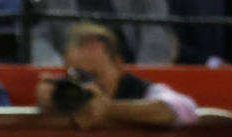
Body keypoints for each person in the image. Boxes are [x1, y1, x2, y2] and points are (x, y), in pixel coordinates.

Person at [34, 22, 198, 129]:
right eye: (79, 75)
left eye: (95, 75)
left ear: (118, 65)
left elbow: (184, 109)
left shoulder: (141, 89)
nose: (89, 84)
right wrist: (47, 105)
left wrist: (110, 109)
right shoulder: (65, 92)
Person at [28, 0, 177, 66]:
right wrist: (59, 76)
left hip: (131, 71)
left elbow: (157, 31)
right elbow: (39, 35)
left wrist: (141, 82)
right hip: (74, 76)